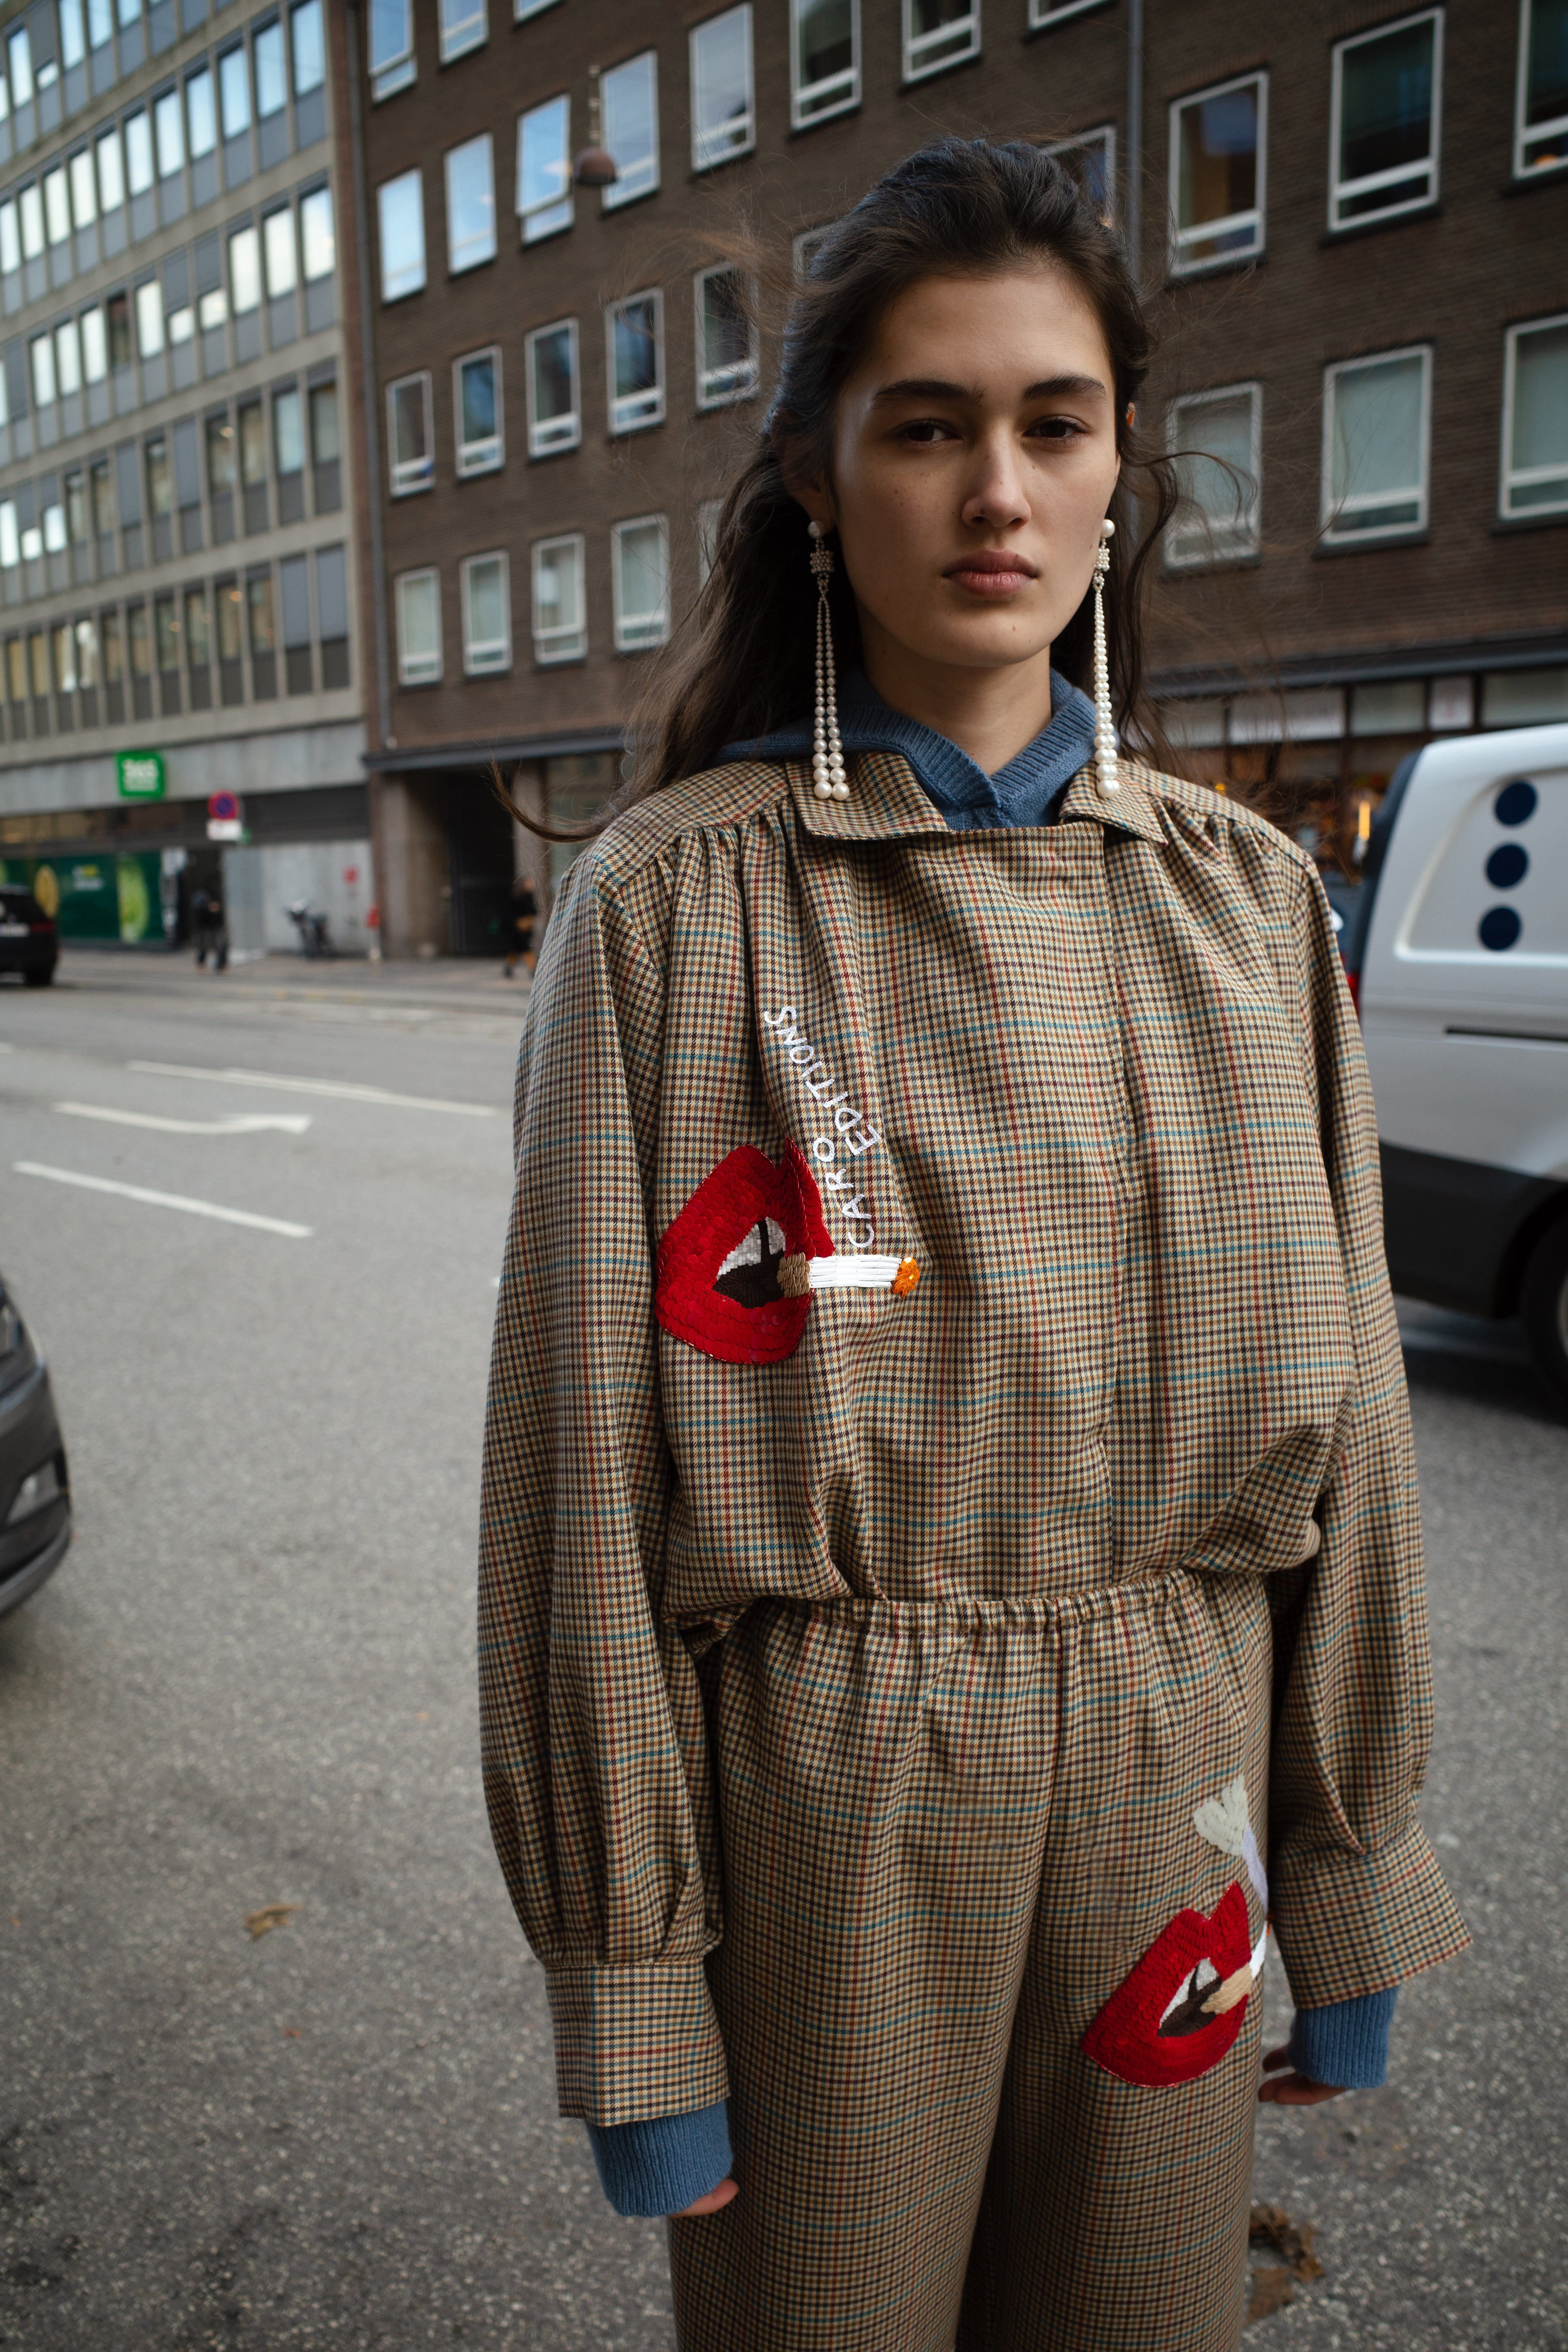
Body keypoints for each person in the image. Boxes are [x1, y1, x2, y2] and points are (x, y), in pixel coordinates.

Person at [478, 140, 1467, 2352]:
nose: (995, 486)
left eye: (1053, 420)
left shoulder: (1247, 907)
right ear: (820, 482)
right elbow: (577, 1488)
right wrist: (636, 1988)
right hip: (835, 1832)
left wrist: (1350, 1868)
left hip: (1175, 1798)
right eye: (925, 424)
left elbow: (1361, 1433)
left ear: (1124, 466)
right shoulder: (672, 908)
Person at [501, 871, 538, 978]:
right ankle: (533, 970)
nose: (531, 884)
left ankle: (508, 969)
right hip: (516, 928)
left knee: (516, 950)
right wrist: (517, 922)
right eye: (529, 882)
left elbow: (534, 911)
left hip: (526, 927)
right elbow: (508, 913)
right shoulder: (515, 896)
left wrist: (528, 921)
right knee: (526, 948)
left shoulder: (530, 896)